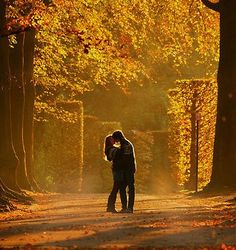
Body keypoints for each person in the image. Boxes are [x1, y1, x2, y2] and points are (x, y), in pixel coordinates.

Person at [112, 130, 136, 213]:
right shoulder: (125, 144)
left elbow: (125, 159)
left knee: (129, 188)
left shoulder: (126, 145)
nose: (115, 141)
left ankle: (128, 208)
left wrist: (117, 165)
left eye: (115, 139)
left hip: (128, 169)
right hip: (128, 169)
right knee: (125, 188)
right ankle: (126, 208)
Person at [104, 135, 123, 213]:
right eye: (112, 139)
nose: (114, 140)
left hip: (116, 169)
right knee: (115, 188)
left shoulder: (110, 149)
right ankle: (110, 206)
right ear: (109, 141)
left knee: (116, 188)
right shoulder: (110, 149)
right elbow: (118, 152)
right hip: (117, 170)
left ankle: (110, 206)